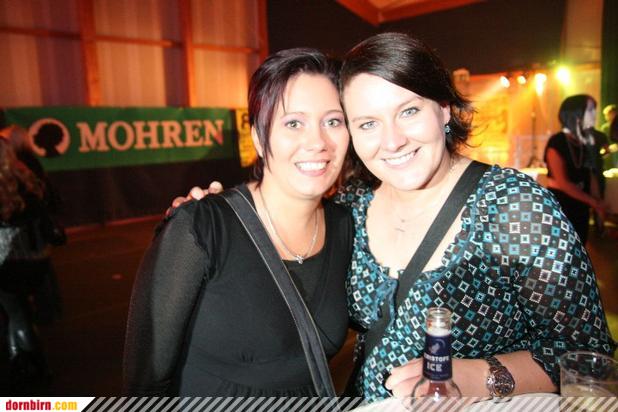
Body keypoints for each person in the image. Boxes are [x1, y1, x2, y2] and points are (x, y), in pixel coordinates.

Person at [171, 33, 615, 403]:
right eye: (367, 123)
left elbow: (586, 353)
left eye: (409, 111)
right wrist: (214, 214)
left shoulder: (514, 206)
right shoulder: (353, 207)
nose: (392, 141)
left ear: (444, 109)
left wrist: (480, 376)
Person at [123, 48, 353, 396]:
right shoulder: (202, 228)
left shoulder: (344, 226)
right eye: (293, 123)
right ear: (259, 138)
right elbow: (144, 384)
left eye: (333, 121)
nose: (317, 142)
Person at [0, 138, 51, 394]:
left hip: (9, 262)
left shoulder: (7, 186)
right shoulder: (26, 179)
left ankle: (28, 364)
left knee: (15, 313)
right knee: (18, 311)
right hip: (34, 259)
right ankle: (26, 362)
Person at [544, 95, 608, 244]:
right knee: (562, 249)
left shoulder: (585, 142)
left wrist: (597, 202)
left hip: (581, 206)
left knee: (580, 246)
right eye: (590, 110)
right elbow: (562, 182)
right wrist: (593, 201)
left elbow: (590, 175)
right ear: (575, 113)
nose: (594, 114)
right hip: (562, 205)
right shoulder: (557, 142)